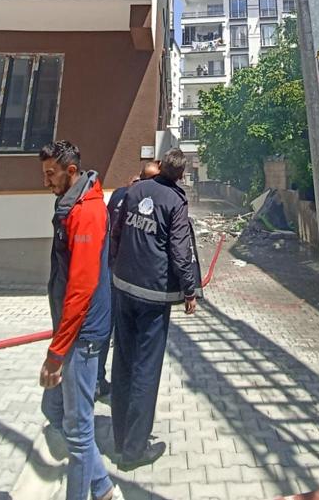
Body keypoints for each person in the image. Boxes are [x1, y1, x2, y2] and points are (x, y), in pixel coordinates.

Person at [39, 140, 122, 500]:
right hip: (74, 330)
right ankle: (102, 486)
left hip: (82, 334)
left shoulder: (86, 212)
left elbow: (81, 287)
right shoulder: (72, 203)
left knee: (77, 430)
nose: (46, 181)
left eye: (51, 174)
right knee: (53, 408)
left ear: (71, 171)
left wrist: (57, 352)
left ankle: (89, 492)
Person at [110, 148, 202, 471]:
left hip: (124, 287)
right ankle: (134, 451)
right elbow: (180, 250)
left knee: (122, 363)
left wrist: (115, 266)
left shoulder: (135, 191)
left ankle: (119, 438)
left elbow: (117, 231)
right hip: (153, 295)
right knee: (145, 370)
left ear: (160, 165)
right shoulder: (175, 201)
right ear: (181, 175)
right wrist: (189, 290)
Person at [95, 159, 161, 401]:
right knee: (126, 334)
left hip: (110, 269)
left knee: (106, 327)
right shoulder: (146, 202)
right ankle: (123, 387)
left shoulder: (119, 195)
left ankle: (98, 380)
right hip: (131, 277)